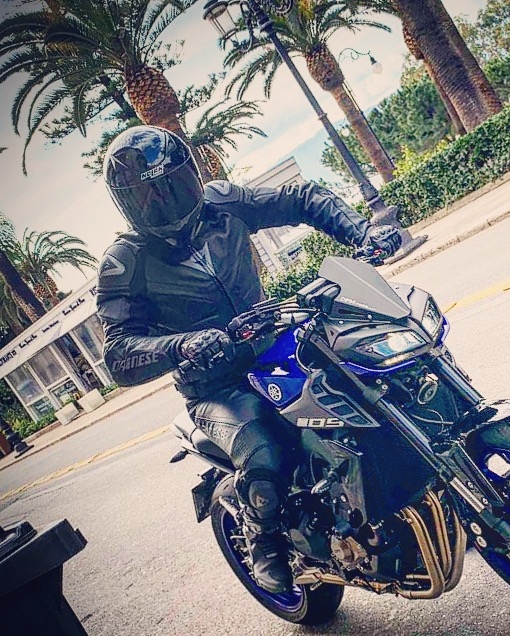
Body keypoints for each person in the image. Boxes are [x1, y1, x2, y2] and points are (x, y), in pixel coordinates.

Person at [96, 126, 401, 594]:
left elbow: (300, 198)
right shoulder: (125, 261)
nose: (165, 199)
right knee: (264, 449)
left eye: (173, 184)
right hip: (216, 387)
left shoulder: (223, 203)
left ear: (191, 175)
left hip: (278, 348)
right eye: (149, 194)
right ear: (127, 202)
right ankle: (265, 541)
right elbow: (118, 351)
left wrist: (363, 232)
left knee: (372, 379)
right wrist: (182, 346)